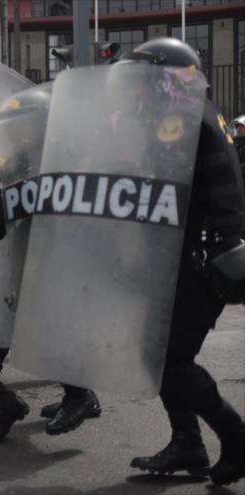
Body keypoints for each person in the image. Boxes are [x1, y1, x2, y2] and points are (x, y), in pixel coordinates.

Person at [119, 39, 245, 487]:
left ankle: (235, 436)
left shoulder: (180, 120)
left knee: (169, 359)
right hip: (195, 258)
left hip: (199, 262)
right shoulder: (195, 112)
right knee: (160, 354)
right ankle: (186, 442)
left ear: (166, 81)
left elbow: (153, 190)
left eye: (142, 82)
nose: (135, 92)